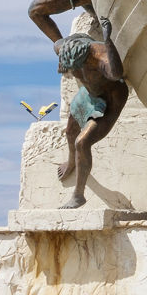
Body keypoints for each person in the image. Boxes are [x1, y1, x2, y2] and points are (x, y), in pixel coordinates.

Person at [54, 19, 130, 209]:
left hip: (110, 99)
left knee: (82, 142)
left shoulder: (100, 55)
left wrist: (109, 41)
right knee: (70, 131)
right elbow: (56, 42)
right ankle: (72, 161)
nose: (76, 73)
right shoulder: (64, 49)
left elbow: (115, 73)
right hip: (88, 95)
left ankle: (78, 195)